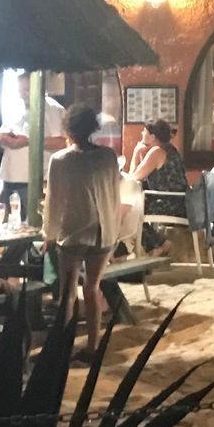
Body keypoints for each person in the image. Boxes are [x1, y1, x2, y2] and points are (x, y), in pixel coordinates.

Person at [44, 103, 126, 356]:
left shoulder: (60, 159)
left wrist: (49, 233)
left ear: (68, 128)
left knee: (67, 293)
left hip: (73, 230)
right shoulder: (107, 157)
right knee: (92, 288)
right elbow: (114, 192)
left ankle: (63, 347)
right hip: (103, 230)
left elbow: (53, 201)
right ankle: (93, 345)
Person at [0, 74, 67, 214]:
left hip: (34, 181)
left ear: (40, 88)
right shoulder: (15, 107)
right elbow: (0, 136)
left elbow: (62, 142)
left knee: (30, 223)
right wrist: (4, 139)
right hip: (9, 178)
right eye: (20, 91)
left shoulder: (53, 109)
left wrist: (29, 141)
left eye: (27, 90)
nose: (23, 95)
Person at [127, 119, 190, 252]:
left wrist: (136, 152)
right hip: (182, 202)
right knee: (137, 207)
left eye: (144, 131)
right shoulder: (171, 149)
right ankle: (158, 245)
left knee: (131, 212)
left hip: (170, 204)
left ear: (152, 136)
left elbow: (134, 177)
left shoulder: (156, 151)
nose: (141, 133)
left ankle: (159, 245)